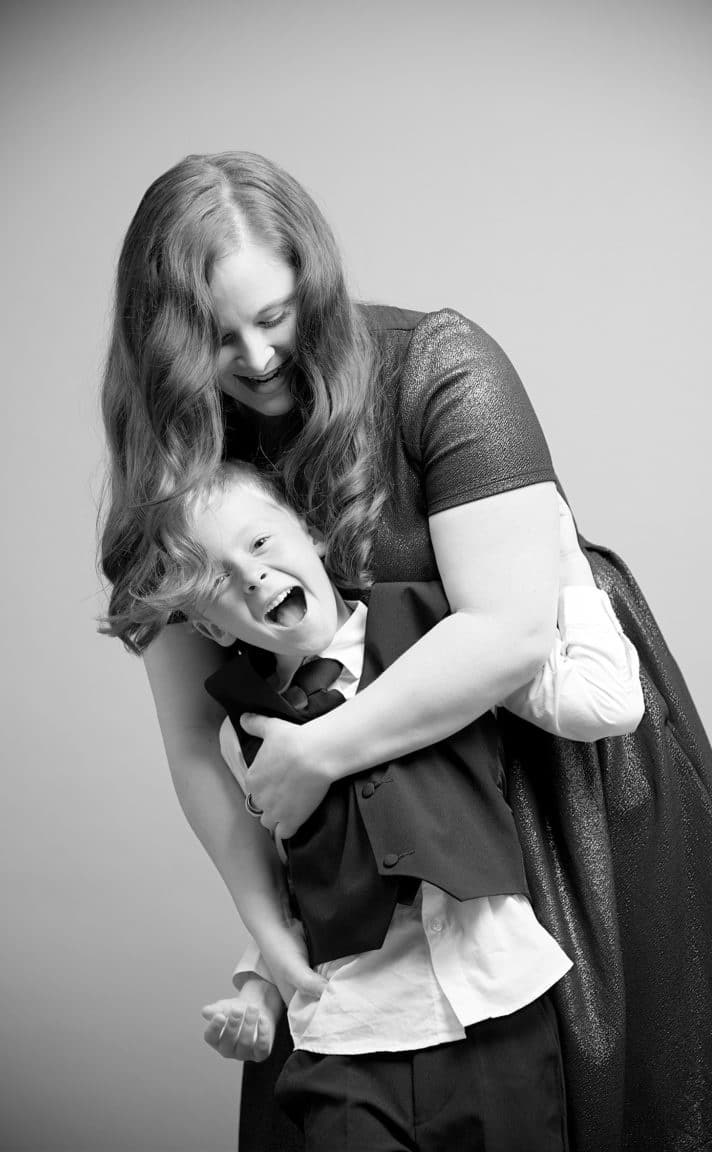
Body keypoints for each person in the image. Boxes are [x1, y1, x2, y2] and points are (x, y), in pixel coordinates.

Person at [99, 151, 712, 1152]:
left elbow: (504, 636)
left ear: (310, 278)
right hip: (362, 854)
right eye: (212, 335)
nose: (257, 355)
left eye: (274, 316)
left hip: (542, 790)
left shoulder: (441, 367)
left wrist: (319, 753)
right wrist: (270, 931)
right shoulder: (178, 457)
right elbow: (197, 739)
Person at [150, 457, 642, 1150]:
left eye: (260, 545)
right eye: (219, 581)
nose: (253, 576)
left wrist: (559, 550)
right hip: (349, 1037)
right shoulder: (243, 734)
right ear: (209, 628)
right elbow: (294, 876)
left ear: (313, 533)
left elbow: (605, 703)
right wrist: (258, 990)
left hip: (496, 1011)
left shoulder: (447, 637)